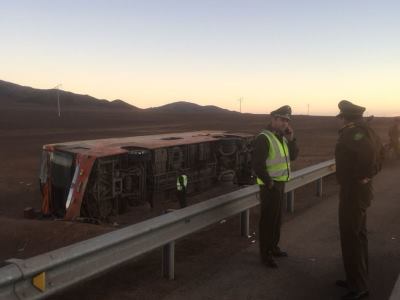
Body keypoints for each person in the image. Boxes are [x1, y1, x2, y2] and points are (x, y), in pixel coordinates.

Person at [335, 100, 383, 300]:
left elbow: (369, 154)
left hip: (353, 192)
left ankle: (359, 286)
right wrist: (370, 174)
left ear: (345, 117)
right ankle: (357, 277)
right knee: (358, 235)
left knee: (351, 236)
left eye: (340, 117)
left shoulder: (354, 133)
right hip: (358, 190)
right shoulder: (368, 131)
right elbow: (379, 155)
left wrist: (364, 175)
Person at [252, 105, 299, 268]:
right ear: (273, 119)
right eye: (282, 120)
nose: (285, 124)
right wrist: (270, 183)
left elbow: (293, 156)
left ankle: (274, 247)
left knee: (277, 219)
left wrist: (292, 138)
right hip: (270, 186)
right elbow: (257, 165)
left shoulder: (281, 137)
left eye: (287, 121)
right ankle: (265, 255)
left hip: (280, 184)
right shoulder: (263, 138)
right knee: (268, 221)